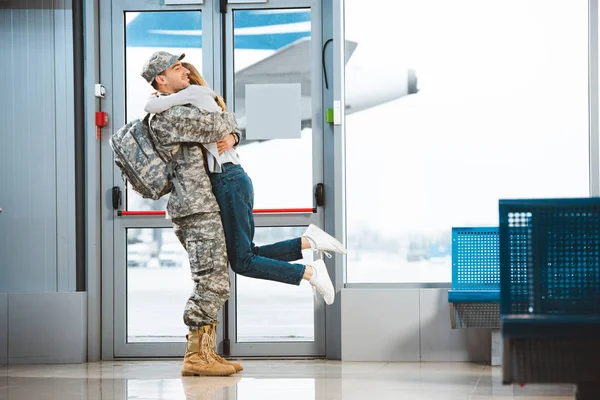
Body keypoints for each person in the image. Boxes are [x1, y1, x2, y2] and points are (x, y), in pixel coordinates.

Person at [141, 52, 345, 377]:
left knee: (239, 262)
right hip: (214, 190)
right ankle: (308, 247)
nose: (184, 71)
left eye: (184, 68)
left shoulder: (191, 100)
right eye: (175, 68)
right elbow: (221, 121)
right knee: (240, 259)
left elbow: (221, 122)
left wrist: (231, 129)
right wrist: (230, 126)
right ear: (161, 79)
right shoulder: (177, 109)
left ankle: (308, 268)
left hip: (225, 184)